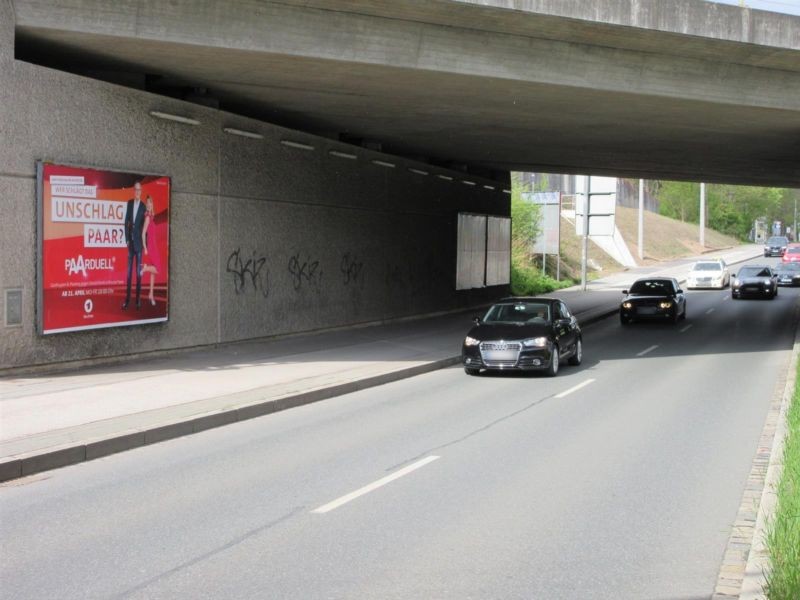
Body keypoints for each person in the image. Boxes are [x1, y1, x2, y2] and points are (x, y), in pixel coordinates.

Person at [122, 181, 146, 310]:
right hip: (130, 244)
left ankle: (137, 301)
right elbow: (126, 222)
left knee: (138, 274)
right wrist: (126, 239)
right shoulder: (130, 203)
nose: (137, 192)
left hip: (139, 245)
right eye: (135, 190)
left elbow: (145, 228)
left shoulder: (143, 207)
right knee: (128, 274)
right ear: (134, 191)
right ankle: (127, 300)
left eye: (139, 190)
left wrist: (144, 245)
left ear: (141, 192)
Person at [140, 195, 162, 306]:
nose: (149, 204)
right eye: (147, 203)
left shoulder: (151, 216)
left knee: (153, 274)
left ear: (152, 204)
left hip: (154, 246)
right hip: (151, 247)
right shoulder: (148, 217)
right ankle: (145, 268)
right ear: (146, 205)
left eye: (150, 202)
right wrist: (145, 247)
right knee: (157, 269)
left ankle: (151, 294)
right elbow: (143, 233)